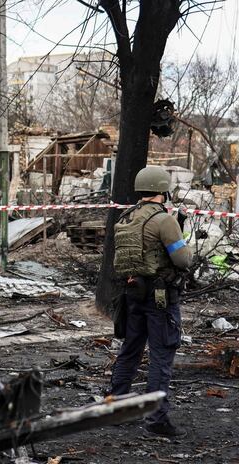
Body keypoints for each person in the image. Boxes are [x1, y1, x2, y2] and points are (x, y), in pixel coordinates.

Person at [109, 165, 192, 437]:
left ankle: (118, 409)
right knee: (161, 356)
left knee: (130, 350)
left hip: (133, 293)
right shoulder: (163, 220)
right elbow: (182, 259)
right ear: (163, 191)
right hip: (160, 299)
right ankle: (156, 419)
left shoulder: (126, 217)